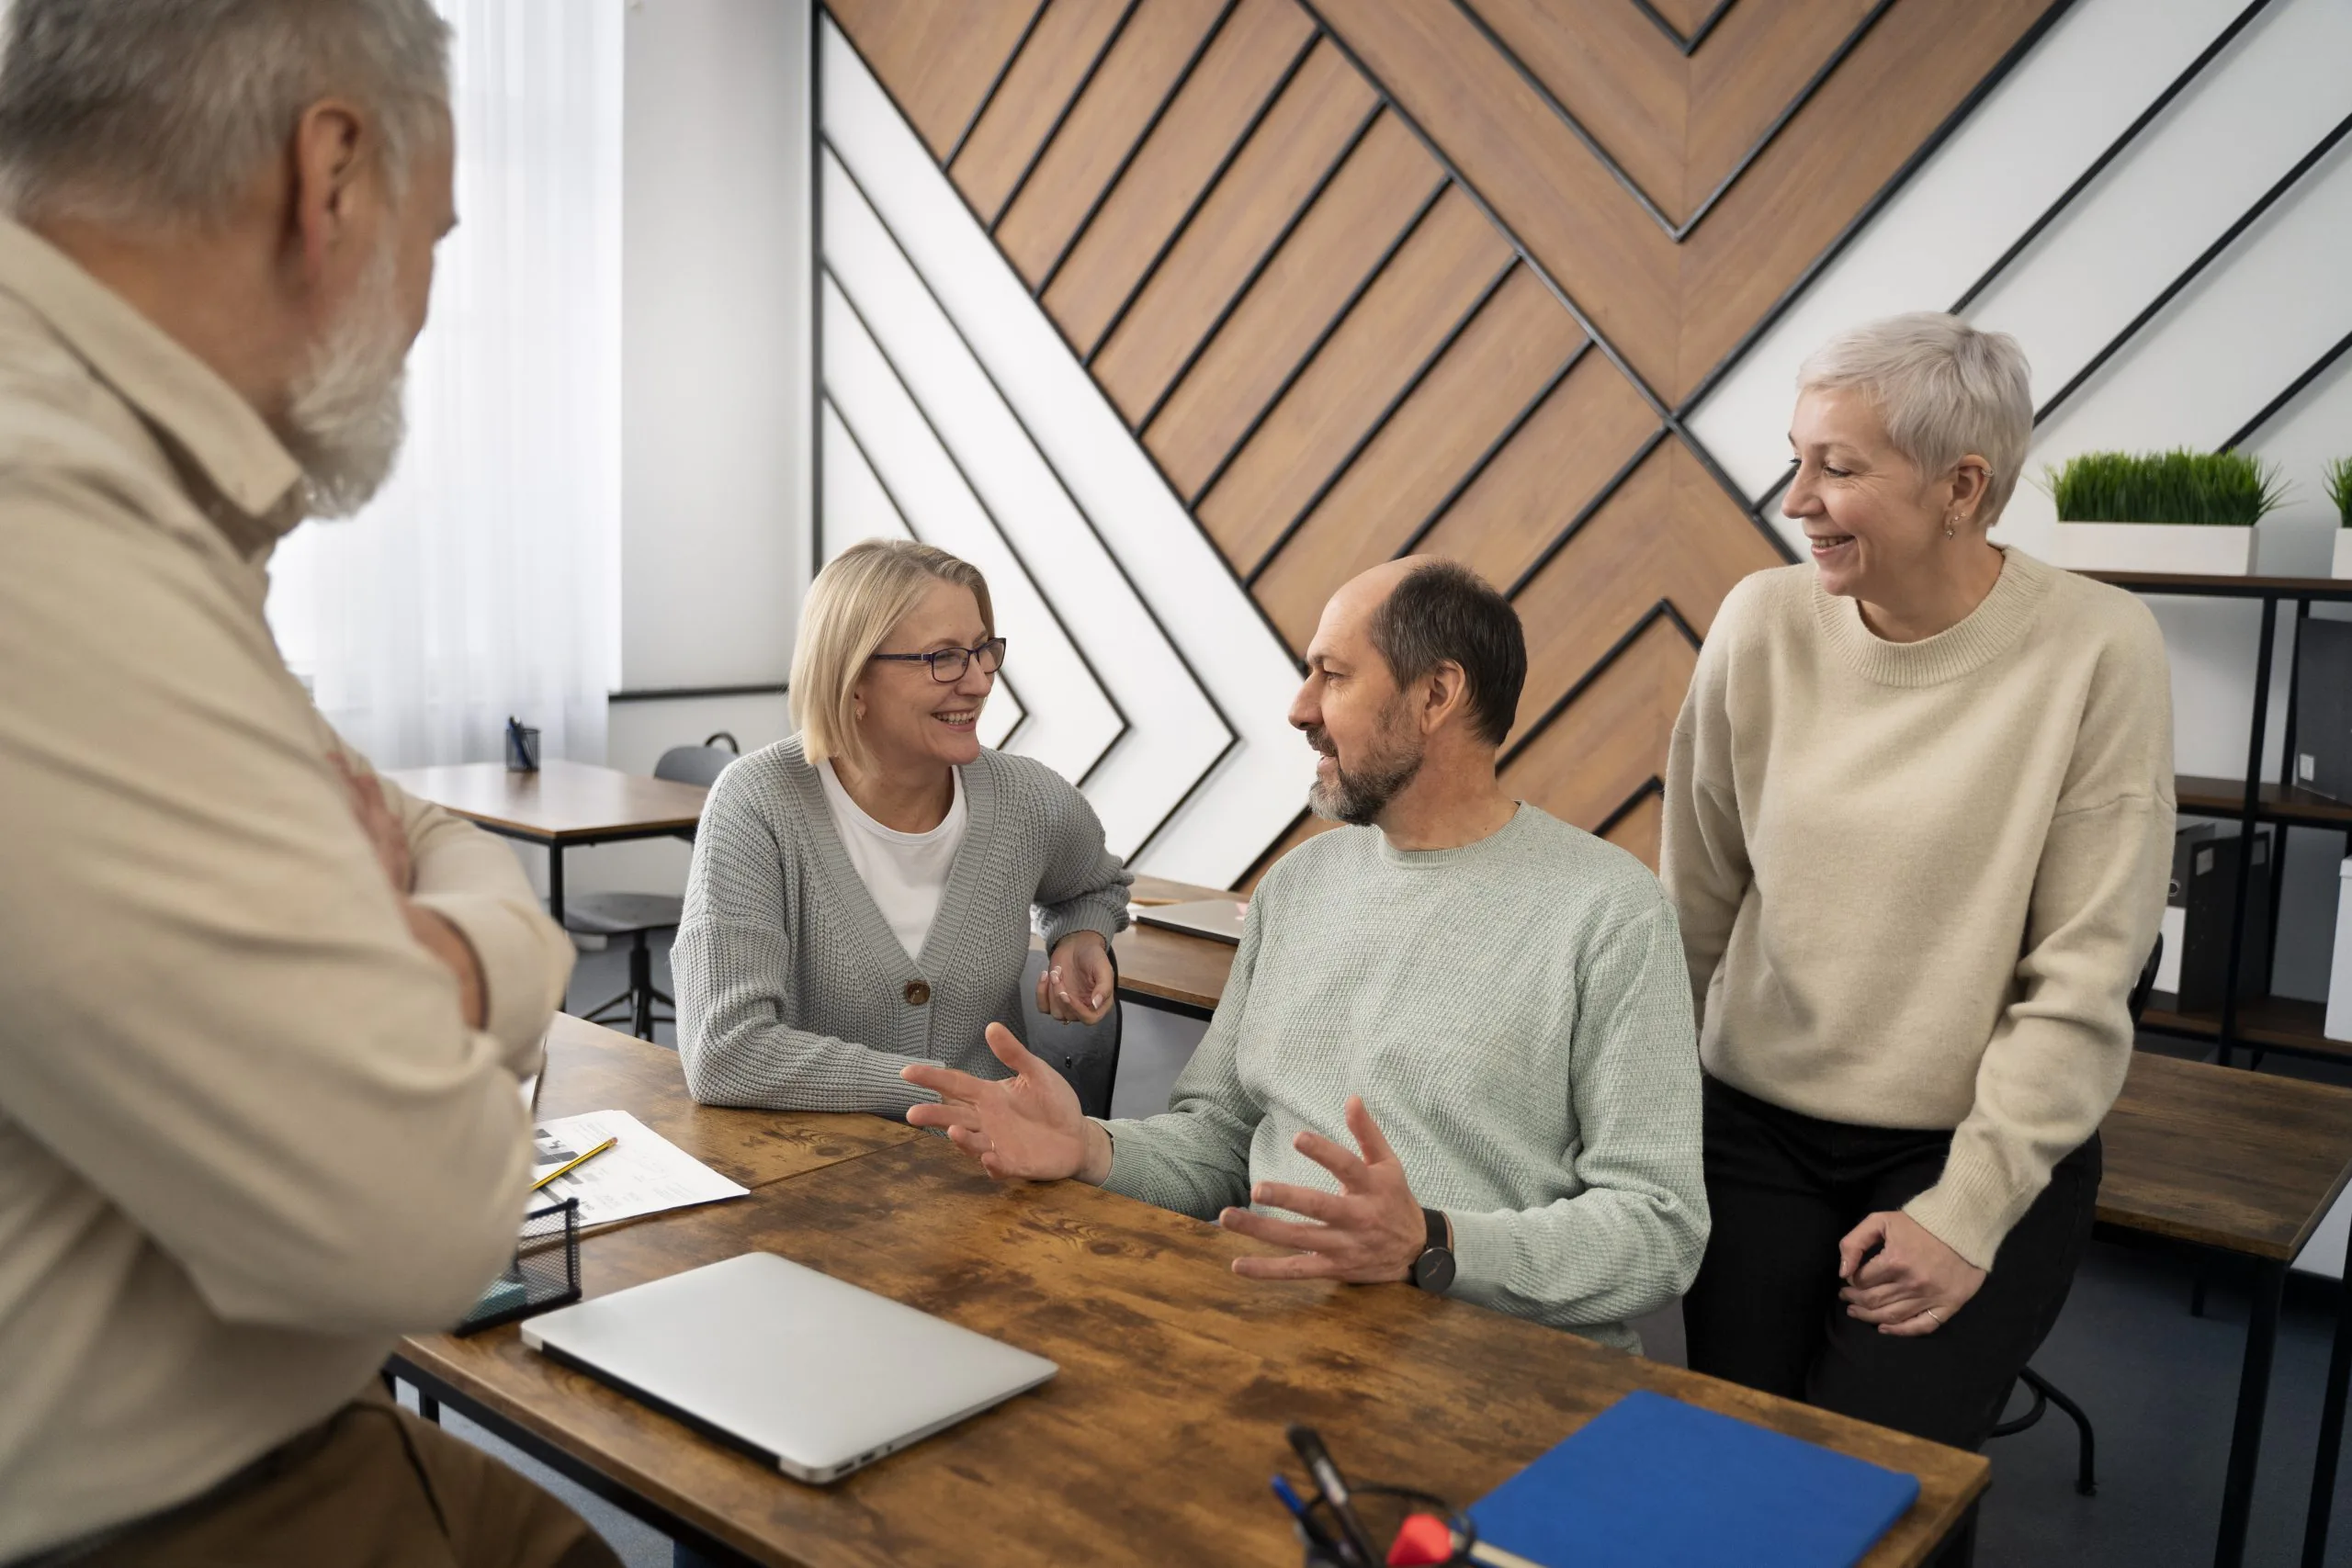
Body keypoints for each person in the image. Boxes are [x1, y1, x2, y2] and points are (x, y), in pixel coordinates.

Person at [0, 3, 620, 1563]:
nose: (421, 310)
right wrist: (492, 948)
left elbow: (403, 826)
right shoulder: (50, 524)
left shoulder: (133, 499)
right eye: (438, 236)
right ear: (331, 173)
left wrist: (423, 940)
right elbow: (419, 1217)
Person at [903, 559, 1706, 1349]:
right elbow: (1219, 1141)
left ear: (1436, 695)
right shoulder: (1296, 887)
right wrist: (1091, 1147)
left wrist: (1435, 1243)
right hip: (1271, 1337)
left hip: (1494, 1371)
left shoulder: (1609, 911)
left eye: (1333, 675)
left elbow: (1661, 1228)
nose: (1298, 709)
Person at [1662, 312, 2174, 1450]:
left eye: (1837, 468)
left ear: (1962, 485)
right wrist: (1639, 1123)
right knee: (1738, 1466)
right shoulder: (1759, 623)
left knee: (1872, 1479)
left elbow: (2085, 979)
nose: (1795, 500)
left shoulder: (2099, 650)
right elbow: (1695, 907)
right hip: (1750, 1130)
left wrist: (1969, 1210)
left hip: (1965, 1140)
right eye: (1797, 458)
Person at [674, 538, 1131, 1120]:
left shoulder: (1030, 801)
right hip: (807, 1175)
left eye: (982, 651)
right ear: (853, 678)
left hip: (987, 1173)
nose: (980, 683)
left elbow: (1093, 886)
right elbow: (725, 1051)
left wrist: (1081, 937)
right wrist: (948, 1091)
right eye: (943, 658)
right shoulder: (757, 804)